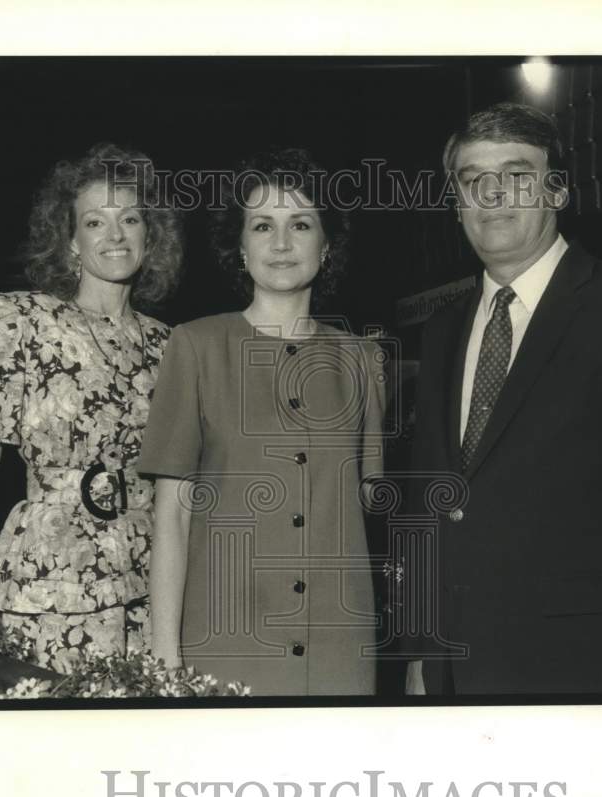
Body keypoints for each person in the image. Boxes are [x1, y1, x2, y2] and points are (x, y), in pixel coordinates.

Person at [400, 103, 602, 695]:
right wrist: (424, 658)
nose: (494, 195)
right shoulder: (443, 331)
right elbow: (431, 503)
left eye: (517, 175)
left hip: (589, 674)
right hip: (457, 674)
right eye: (474, 181)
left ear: (557, 192)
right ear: (457, 204)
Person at [0, 143, 183, 674]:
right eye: (95, 222)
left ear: (151, 235)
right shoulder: (16, 322)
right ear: (71, 241)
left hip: (149, 573)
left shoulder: (171, 346)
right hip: (52, 568)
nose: (115, 235)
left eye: (131, 219)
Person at [137, 148, 385, 696]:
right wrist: (164, 656)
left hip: (338, 648)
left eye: (300, 224)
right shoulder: (196, 347)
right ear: (240, 247)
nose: (280, 242)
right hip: (226, 641)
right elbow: (172, 518)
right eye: (262, 226)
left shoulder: (364, 361)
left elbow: (372, 515)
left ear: (326, 244)